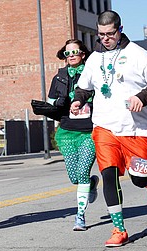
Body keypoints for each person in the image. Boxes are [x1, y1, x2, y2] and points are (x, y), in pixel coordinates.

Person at [71, 11, 147, 247]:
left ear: (120, 29)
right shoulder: (94, 58)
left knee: (139, 179)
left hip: (135, 128)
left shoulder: (137, 54)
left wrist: (142, 97)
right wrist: (78, 100)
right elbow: (84, 87)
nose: (105, 39)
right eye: (101, 34)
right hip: (104, 127)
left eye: (110, 34)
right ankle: (119, 229)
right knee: (109, 175)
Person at [47, 39, 99, 231]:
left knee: (83, 171)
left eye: (75, 52)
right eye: (67, 53)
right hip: (67, 131)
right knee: (74, 177)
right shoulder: (59, 78)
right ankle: (92, 184)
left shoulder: (93, 73)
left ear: (83, 54)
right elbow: (51, 104)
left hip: (90, 131)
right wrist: (57, 103)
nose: (71, 56)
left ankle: (80, 216)